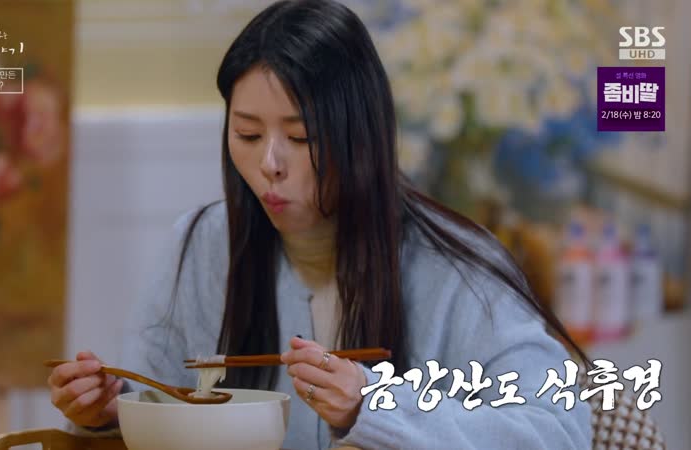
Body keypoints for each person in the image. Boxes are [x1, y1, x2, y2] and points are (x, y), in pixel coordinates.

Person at [47, 1, 592, 448]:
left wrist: (373, 406)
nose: (269, 163)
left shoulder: (458, 269)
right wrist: (108, 413)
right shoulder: (201, 247)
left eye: (301, 138)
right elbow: (157, 400)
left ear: (361, 135)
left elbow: (559, 430)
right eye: (248, 134)